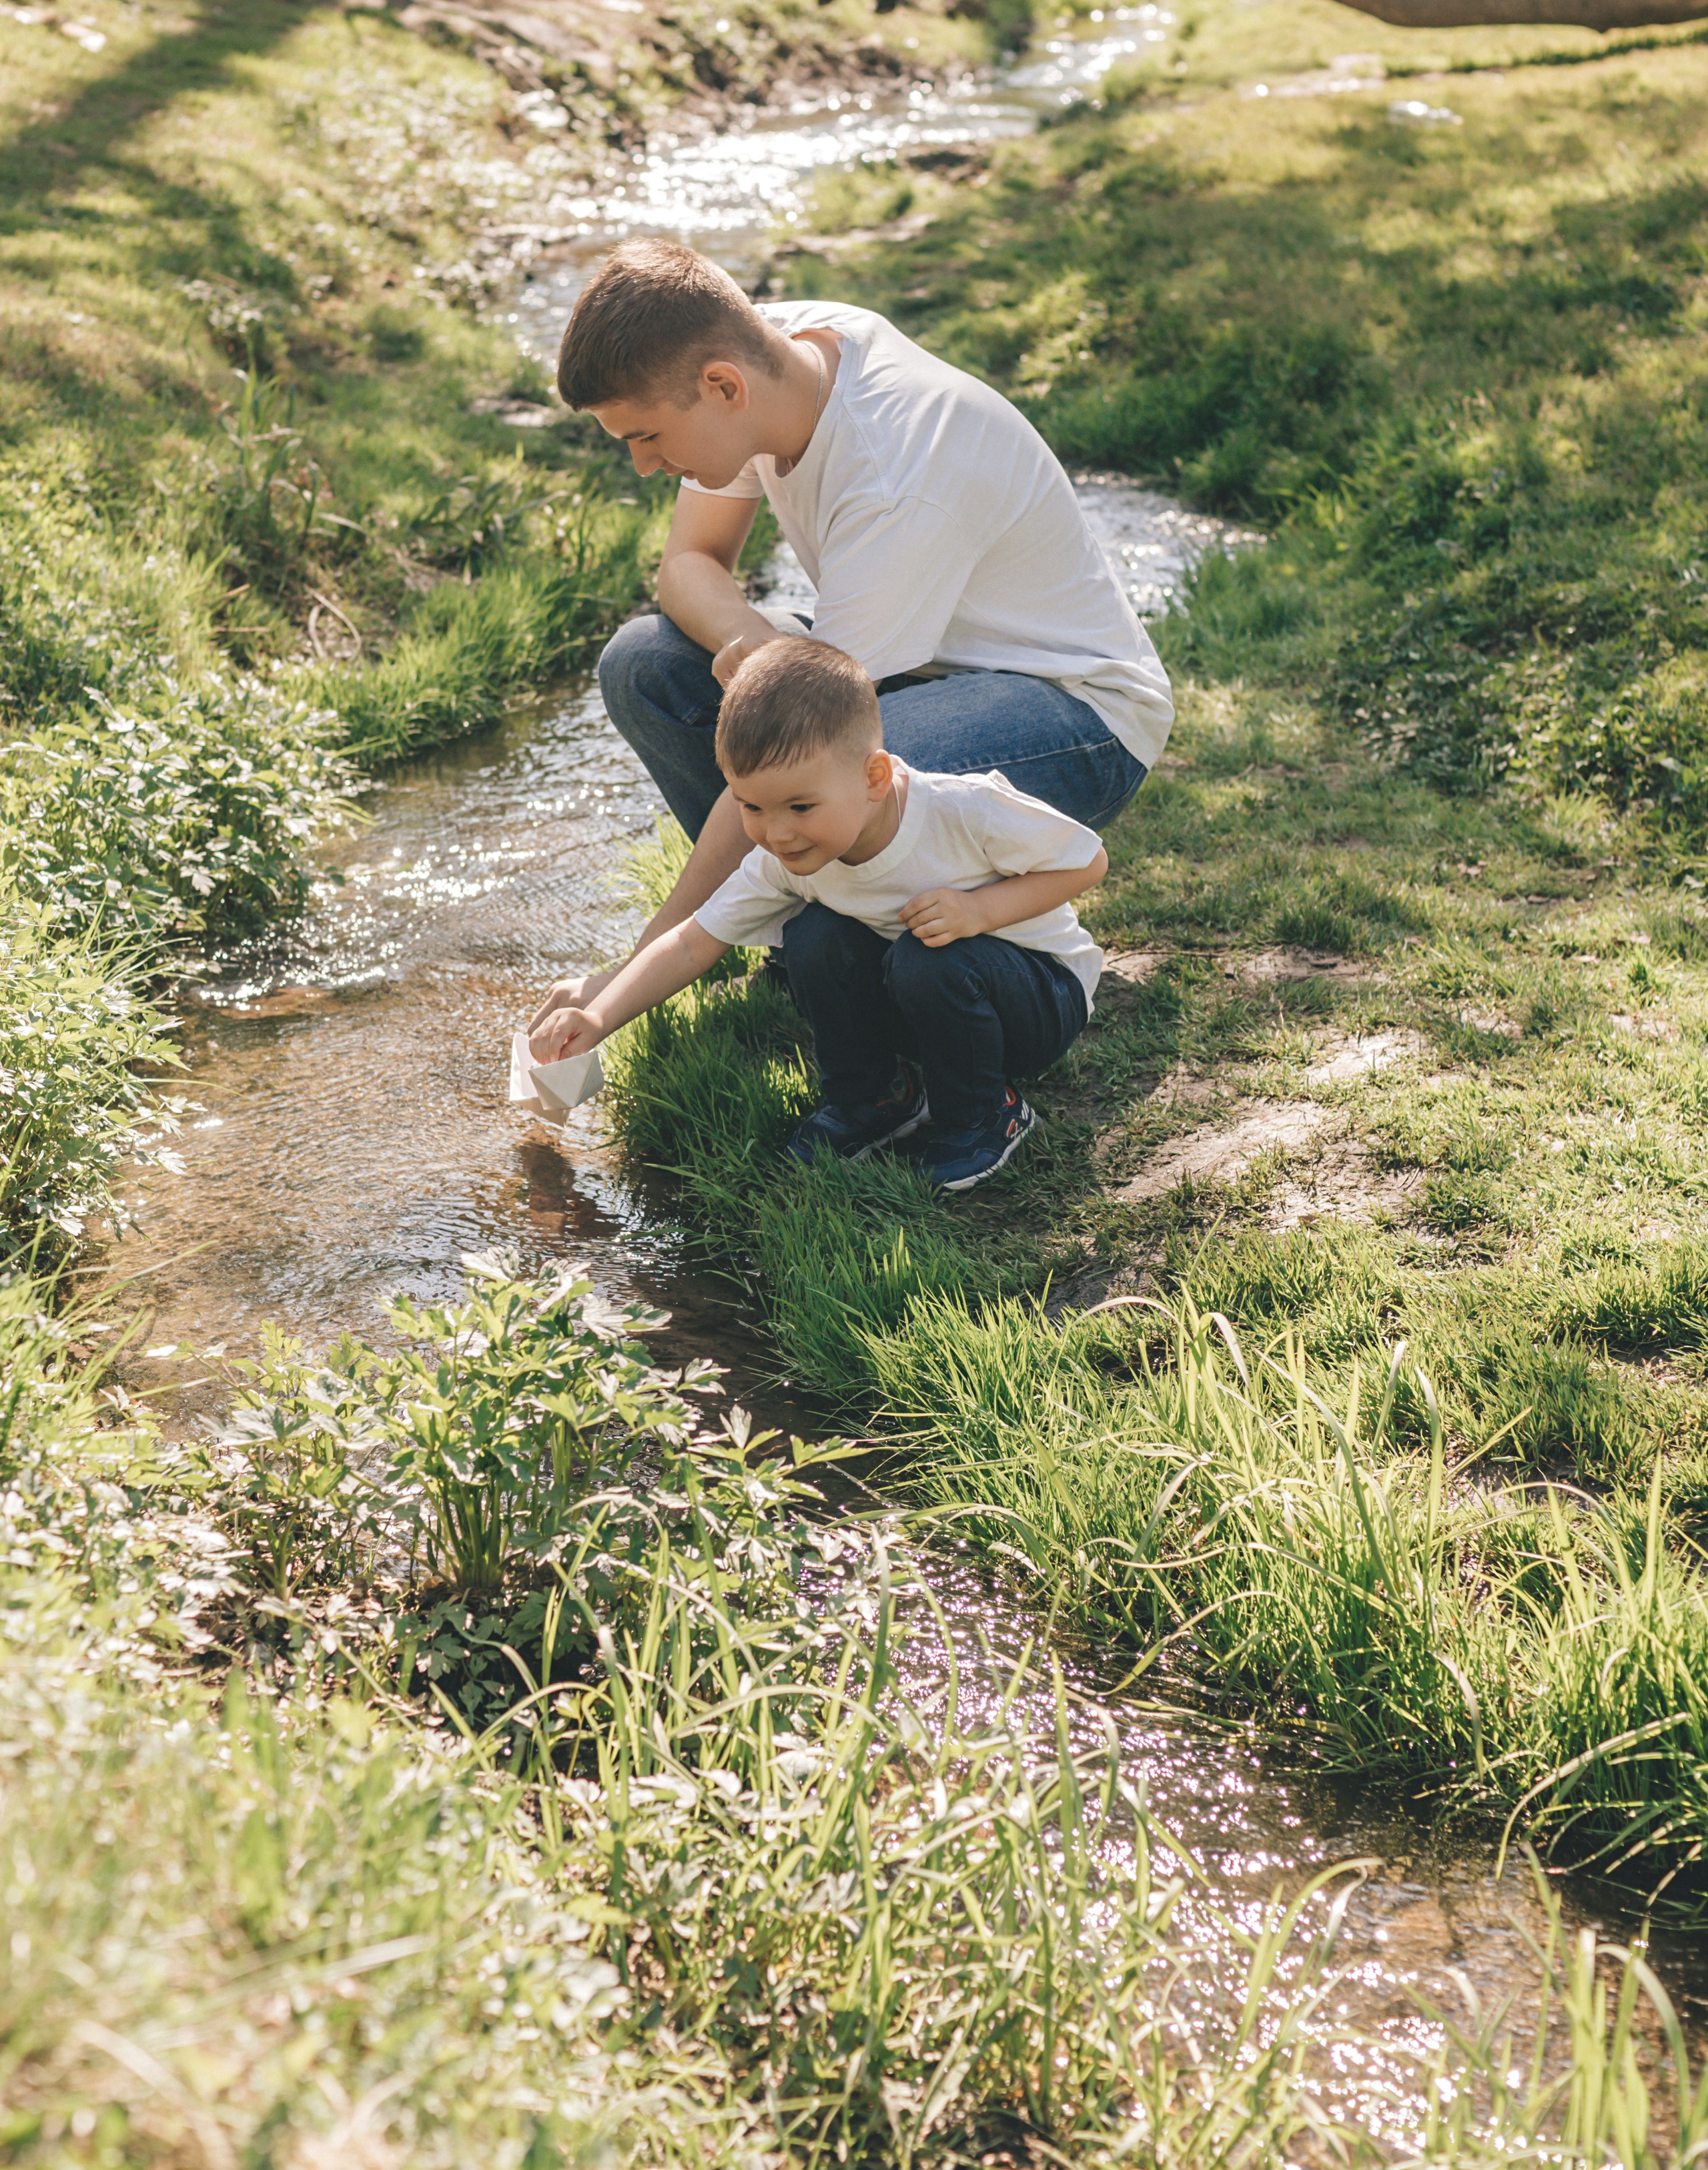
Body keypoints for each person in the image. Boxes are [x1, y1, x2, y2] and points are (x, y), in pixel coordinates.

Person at [538, 236, 1169, 1018]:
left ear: (721, 386)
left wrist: (625, 982)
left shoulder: (894, 475)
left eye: (645, 437)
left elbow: (807, 736)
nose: (640, 465)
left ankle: (795, 933)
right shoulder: (772, 356)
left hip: (1073, 713)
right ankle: (795, 921)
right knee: (643, 664)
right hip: (911, 664)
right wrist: (767, 654)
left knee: (838, 766)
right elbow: (688, 567)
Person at [529, 639, 1107, 1191]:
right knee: (812, 938)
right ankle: (876, 1098)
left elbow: (1087, 861)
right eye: (751, 807)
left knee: (928, 960)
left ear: (874, 778)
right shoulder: (789, 859)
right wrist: (601, 1015)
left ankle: (985, 1114)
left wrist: (979, 910)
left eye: (800, 806)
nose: (776, 832)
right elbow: (691, 944)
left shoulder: (963, 810)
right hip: (928, 998)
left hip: (1038, 998)